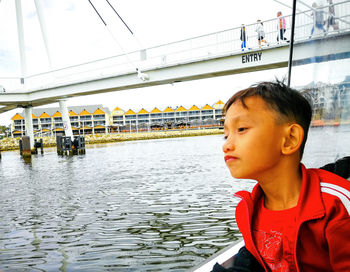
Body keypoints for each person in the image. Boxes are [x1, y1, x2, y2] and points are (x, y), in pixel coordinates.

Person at [220, 81, 350, 271]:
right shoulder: (246, 211)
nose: (226, 145)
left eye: (241, 130)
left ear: (290, 139)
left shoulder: (337, 205)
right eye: (225, 135)